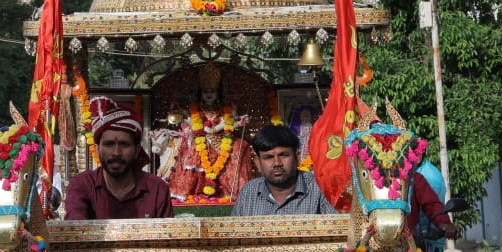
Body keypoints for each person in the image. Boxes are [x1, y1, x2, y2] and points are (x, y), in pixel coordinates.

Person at [65, 96, 174, 221]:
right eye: (109, 144)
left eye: (124, 144)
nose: (116, 152)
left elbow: (166, 237)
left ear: (137, 150)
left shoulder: (157, 188)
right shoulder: (82, 184)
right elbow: (77, 230)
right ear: (97, 148)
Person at [166, 62, 252, 202]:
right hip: (200, 139)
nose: (209, 94)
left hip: (222, 139)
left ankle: (234, 192)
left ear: (217, 92)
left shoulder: (228, 108)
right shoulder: (194, 109)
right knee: (195, 150)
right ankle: (191, 193)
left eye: (212, 91)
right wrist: (205, 129)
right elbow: (190, 123)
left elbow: (230, 124)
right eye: (206, 91)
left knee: (240, 145)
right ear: (201, 93)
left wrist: (240, 123)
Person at [230, 123, 334, 216]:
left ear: (297, 158)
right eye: (268, 157)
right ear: (258, 163)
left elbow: (340, 232)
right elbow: (235, 235)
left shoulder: (319, 188)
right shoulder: (249, 192)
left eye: (283, 155)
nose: (277, 163)